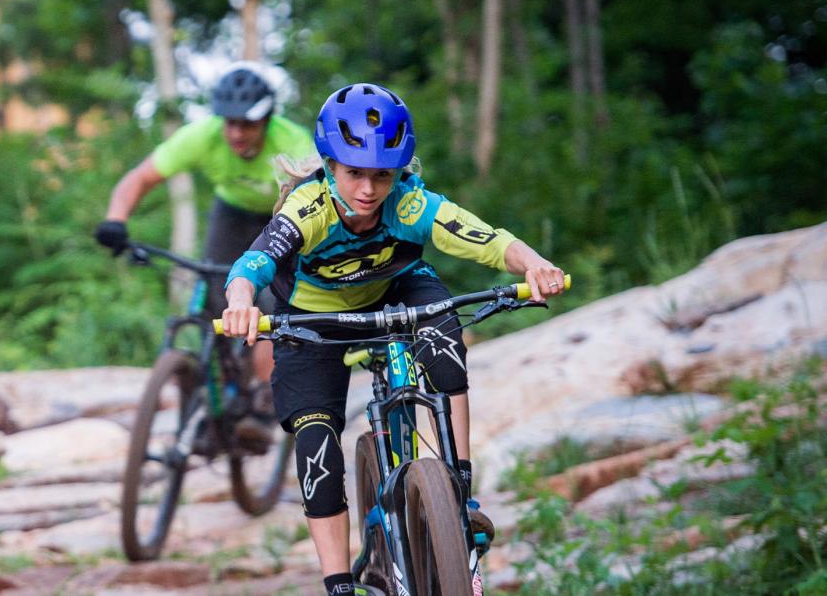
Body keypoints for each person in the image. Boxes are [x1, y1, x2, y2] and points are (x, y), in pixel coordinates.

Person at [219, 82, 566, 596]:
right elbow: (252, 265)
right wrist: (240, 302)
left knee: (445, 337)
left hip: (396, 290)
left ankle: (459, 496)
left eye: (382, 175)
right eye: (354, 173)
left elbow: (488, 241)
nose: (368, 189)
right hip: (312, 318)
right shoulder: (307, 210)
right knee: (316, 442)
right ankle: (339, 584)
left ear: (399, 172)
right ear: (330, 167)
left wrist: (535, 264)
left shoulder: (409, 203)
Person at [95, 63, 316, 391]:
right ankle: (222, 385)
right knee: (217, 293)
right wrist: (116, 219)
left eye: (247, 124)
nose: (236, 133)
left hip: (281, 216)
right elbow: (140, 178)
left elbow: (319, 199)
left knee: (276, 304)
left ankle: (266, 395)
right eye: (230, 122)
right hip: (231, 214)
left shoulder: (292, 142)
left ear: (267, 120)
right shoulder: (202, 136)